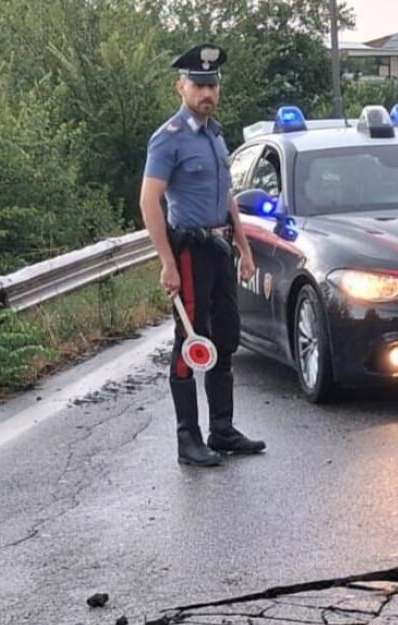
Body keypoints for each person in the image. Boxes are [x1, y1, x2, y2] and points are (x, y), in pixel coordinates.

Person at [139, 44, 265, 467]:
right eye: (198, 84)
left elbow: (226, 195)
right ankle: (187, 440)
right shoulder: (168, 139)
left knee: (225, 335)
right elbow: (149, 201)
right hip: (189, 249)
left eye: (212, 84)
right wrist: (167, 262)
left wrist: (244, 247)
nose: (206, 92)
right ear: (181, 86)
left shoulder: (214, 134)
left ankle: (222, 430)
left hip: (221, 246)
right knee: (190, 342)